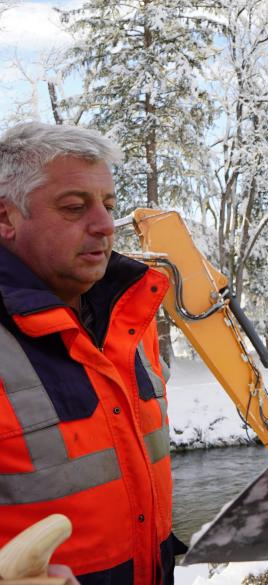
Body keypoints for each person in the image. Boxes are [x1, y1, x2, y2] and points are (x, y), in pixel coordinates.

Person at [0, 122, 183, 585]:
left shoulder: (131, 322)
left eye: (108, 205)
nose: (104, 225)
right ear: (6, 218)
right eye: (75, 207)